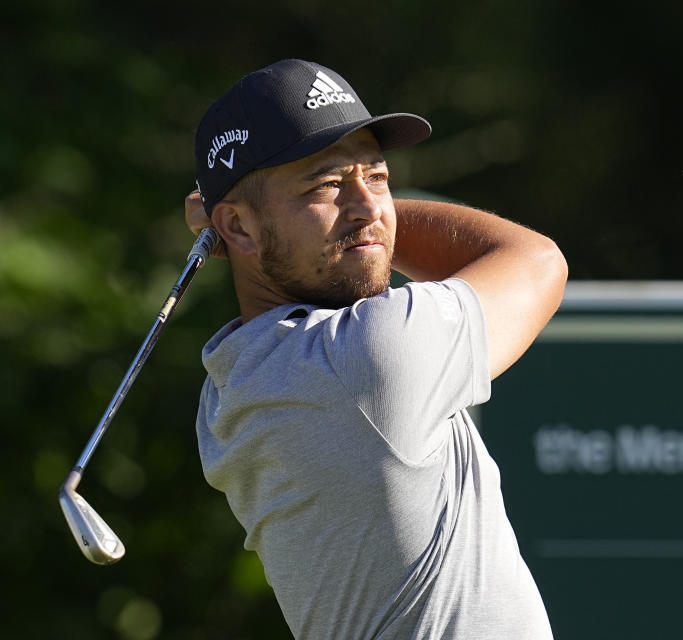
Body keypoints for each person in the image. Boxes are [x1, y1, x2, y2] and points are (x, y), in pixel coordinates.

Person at [185, 59, 567, 639]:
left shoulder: (230, 384)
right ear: (235, 230)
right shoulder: (365, 353)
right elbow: (538, 261)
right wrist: (370, 221)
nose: (367, 205)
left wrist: (251, 227)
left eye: (378, 177)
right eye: (328, 184)